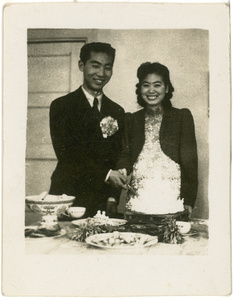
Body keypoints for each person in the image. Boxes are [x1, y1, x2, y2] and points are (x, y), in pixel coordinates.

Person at [49, 42, 126, 217]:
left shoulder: (117, 111)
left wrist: (113, 198)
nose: (101, 73)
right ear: (81, 65)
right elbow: (67, 155)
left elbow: (117, 156)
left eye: (108, 67)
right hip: (67, 196)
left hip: (102, 201)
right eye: (95, 65)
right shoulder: (61, 106)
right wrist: (106, 174)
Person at [113, 62, 198, 217]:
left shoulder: (181, 117)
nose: (151, 90)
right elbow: (124, 156)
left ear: (166, 88)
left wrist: (188, 201)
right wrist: (120, 179)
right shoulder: (131, 119)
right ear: (139, 89)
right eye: (146, 85)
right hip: (139, 199)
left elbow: (190, 164)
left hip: (171, 199)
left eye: (157, 85)